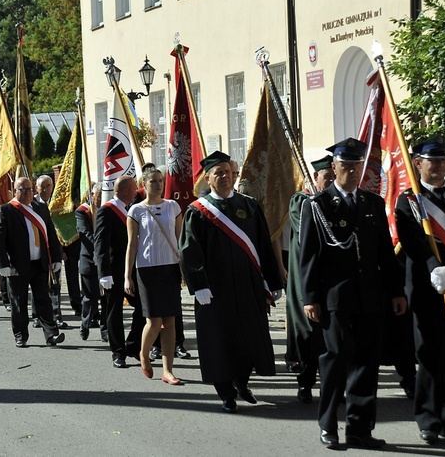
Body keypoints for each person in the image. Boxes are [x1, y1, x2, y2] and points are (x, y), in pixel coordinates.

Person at [299, 138, 406, 449]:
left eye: (357, 166)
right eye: (346, 166)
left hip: (369, 297)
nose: (352, 171)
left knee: (365, 364)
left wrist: (396, 290)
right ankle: (328, 426)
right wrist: (310, 297)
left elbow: (385, 253)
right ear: (334, 168)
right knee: (334, 361)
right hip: (334, 297)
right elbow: (308, 254)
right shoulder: (318, 205)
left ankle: (360, 429)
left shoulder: (372, 203)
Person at [180, 151, 281, 413]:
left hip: (248, 284)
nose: (226, 177)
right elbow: (190, 250)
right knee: (220, 339)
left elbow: (263, 245)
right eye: (219, 173)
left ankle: (241, 380)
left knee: (248, 336)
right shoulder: (198, 212)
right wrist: (198, 283)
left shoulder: (249, 206)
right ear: (208, 178)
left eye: (228, 172)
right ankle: (226, 391)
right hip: (216, 288)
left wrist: (271, 280)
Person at [395, 136, 445, 444]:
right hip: (427, 287)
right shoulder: (409, 200)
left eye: (443, 160)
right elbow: (410, 240)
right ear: (418, 164)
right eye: (432, 161)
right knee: (430, 354)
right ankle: (428, 418)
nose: (439, 166)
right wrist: (433, 266)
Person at [125, 167, 183, 385]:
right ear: (144, 184)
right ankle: (144, 353)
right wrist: (127, 276)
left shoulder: (173, 207)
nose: (158, 185)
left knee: (170, 320)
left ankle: (168, 370)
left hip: (170, 268)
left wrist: (184, 266)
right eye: (154, 181)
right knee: (154, 320)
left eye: (161, 181)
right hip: (147, 269)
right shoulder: (136, 211)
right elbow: (131, 245)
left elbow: (179, 238)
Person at [285, 154, 334, 403]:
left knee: (329, 334)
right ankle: (305, 383)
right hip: (305, 276)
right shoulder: (301, 201)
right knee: (307, 332)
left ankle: (331, 385)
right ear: (315, 178)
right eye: (327, 177)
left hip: (330, 277)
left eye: (334, 176)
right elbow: (307, 232)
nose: (331, 181)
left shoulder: (334, 201)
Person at [0, 176, 64, 347]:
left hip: (39, 264)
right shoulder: (6, 210)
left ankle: (51, 335)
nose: (26, 193)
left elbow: (51, 235)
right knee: (18, 302)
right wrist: (3, 264)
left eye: (29, 189)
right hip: (17, 266)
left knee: (44, 300)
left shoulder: (40, 208)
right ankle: (20, 335)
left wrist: (56, 258)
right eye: (22, 189)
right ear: (15, 190)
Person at [95, 175, 144, 368]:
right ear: (124, 191)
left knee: (142, 307)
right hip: (113, 271)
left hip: (133, 269)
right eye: (133, 189)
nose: (136, 192)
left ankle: (132, 345)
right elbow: (100, 243)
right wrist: (103, 273)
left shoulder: (133, 209)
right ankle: (118, 352)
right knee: (114, 311)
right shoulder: (106, 211)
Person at [32, 174, 69, 328]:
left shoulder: (57, 204)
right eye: (43, 186)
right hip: (37, 251)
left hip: (54, 251)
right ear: (36, 188)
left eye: (49, 186)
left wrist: (61, 250)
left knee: (55, 285)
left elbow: (61, 230)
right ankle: (36, 316)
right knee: (38, 286)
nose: (46, 189)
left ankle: (56, 316)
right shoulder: (31, 204)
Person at [75, 183, 108, 342]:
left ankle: (105, 330)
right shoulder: (82, 212)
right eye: (98, 196)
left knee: (106, 298)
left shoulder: (107, 211)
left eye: (103, 196)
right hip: (89, 259)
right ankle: (85, 323)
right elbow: (84, 233)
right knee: (90, 297)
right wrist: (98, 248)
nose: (100, 199)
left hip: (106, 261)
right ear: (91, 195)